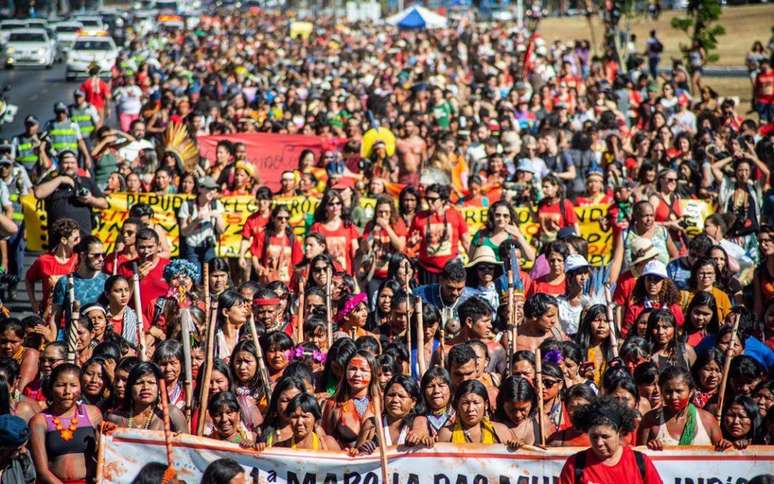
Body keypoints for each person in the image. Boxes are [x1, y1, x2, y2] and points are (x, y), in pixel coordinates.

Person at [559, 397, 663, 484]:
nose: (599, 443)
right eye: (594, 437)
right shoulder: (575, 464)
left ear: (620, 432)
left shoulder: (640, 461)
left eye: (605, 437)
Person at [29, 364, 103, 484]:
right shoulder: (40, 421)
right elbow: (42, 471)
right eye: (60, 385)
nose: (67, 391)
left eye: (73, 385)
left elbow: (103, 455)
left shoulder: (93, 414)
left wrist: (108, 434)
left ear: (80, 388)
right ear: (51, 387)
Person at [637, 365, 723, 448]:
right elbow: (639, 456)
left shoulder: (707, 420)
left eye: (679, 391)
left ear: (691, 392)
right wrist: (650, 448)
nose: (674, 397)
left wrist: (725, 446)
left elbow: (721, 457)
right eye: (668, 391)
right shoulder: (650, 420)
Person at [32, 150, 108, 241]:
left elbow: (104, 204)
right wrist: (61, 179)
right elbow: (38, 193)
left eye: (72, 163)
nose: (69, 166)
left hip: (82, 237)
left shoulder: (86, 181)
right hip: (58, 238)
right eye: (66, 163)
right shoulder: (51, 179)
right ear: (60, 165)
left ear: (77, 165)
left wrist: (90, 199)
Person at [409, 184, 471, 284]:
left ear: (443, 200)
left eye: (433, 199)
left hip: (451, 269)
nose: (429, 202)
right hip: (427, 270)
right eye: (427, 198)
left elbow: (466, 242)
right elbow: (409, 245)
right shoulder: (419, 217)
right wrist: (412, 243)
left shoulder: (455, 215)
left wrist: (474, 264)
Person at [24, 218, 80, 316]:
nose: (79, 241)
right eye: (75, 239)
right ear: (63, 240)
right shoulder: (44, 260)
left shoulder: (79, 259)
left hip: (74, 318)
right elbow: (29, 279)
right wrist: (34, 303)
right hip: (49, 318)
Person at [52, 235, 108, 322]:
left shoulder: (108, 281)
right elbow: (55, 317)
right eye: (96, 255)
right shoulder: (65, 282)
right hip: (74, 334)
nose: (101, 259)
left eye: (103, 255)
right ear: (83, 255)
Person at [177, 176, 226, 268]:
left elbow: (222, 230)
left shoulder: (216, 205)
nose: (212, 192)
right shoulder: (187, 205)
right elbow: (183, 232)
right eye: (209, 189)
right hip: (192, 248)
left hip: (209, 247)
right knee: (195, 278)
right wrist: (196, 221)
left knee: (210, 276)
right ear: (200, 189)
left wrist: (218, 217)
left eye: (214, 189)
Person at [0, 414, 36, 484]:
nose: (24, 450)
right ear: (3, 448)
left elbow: (30, 480)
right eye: (19, 449)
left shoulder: (23, 458)